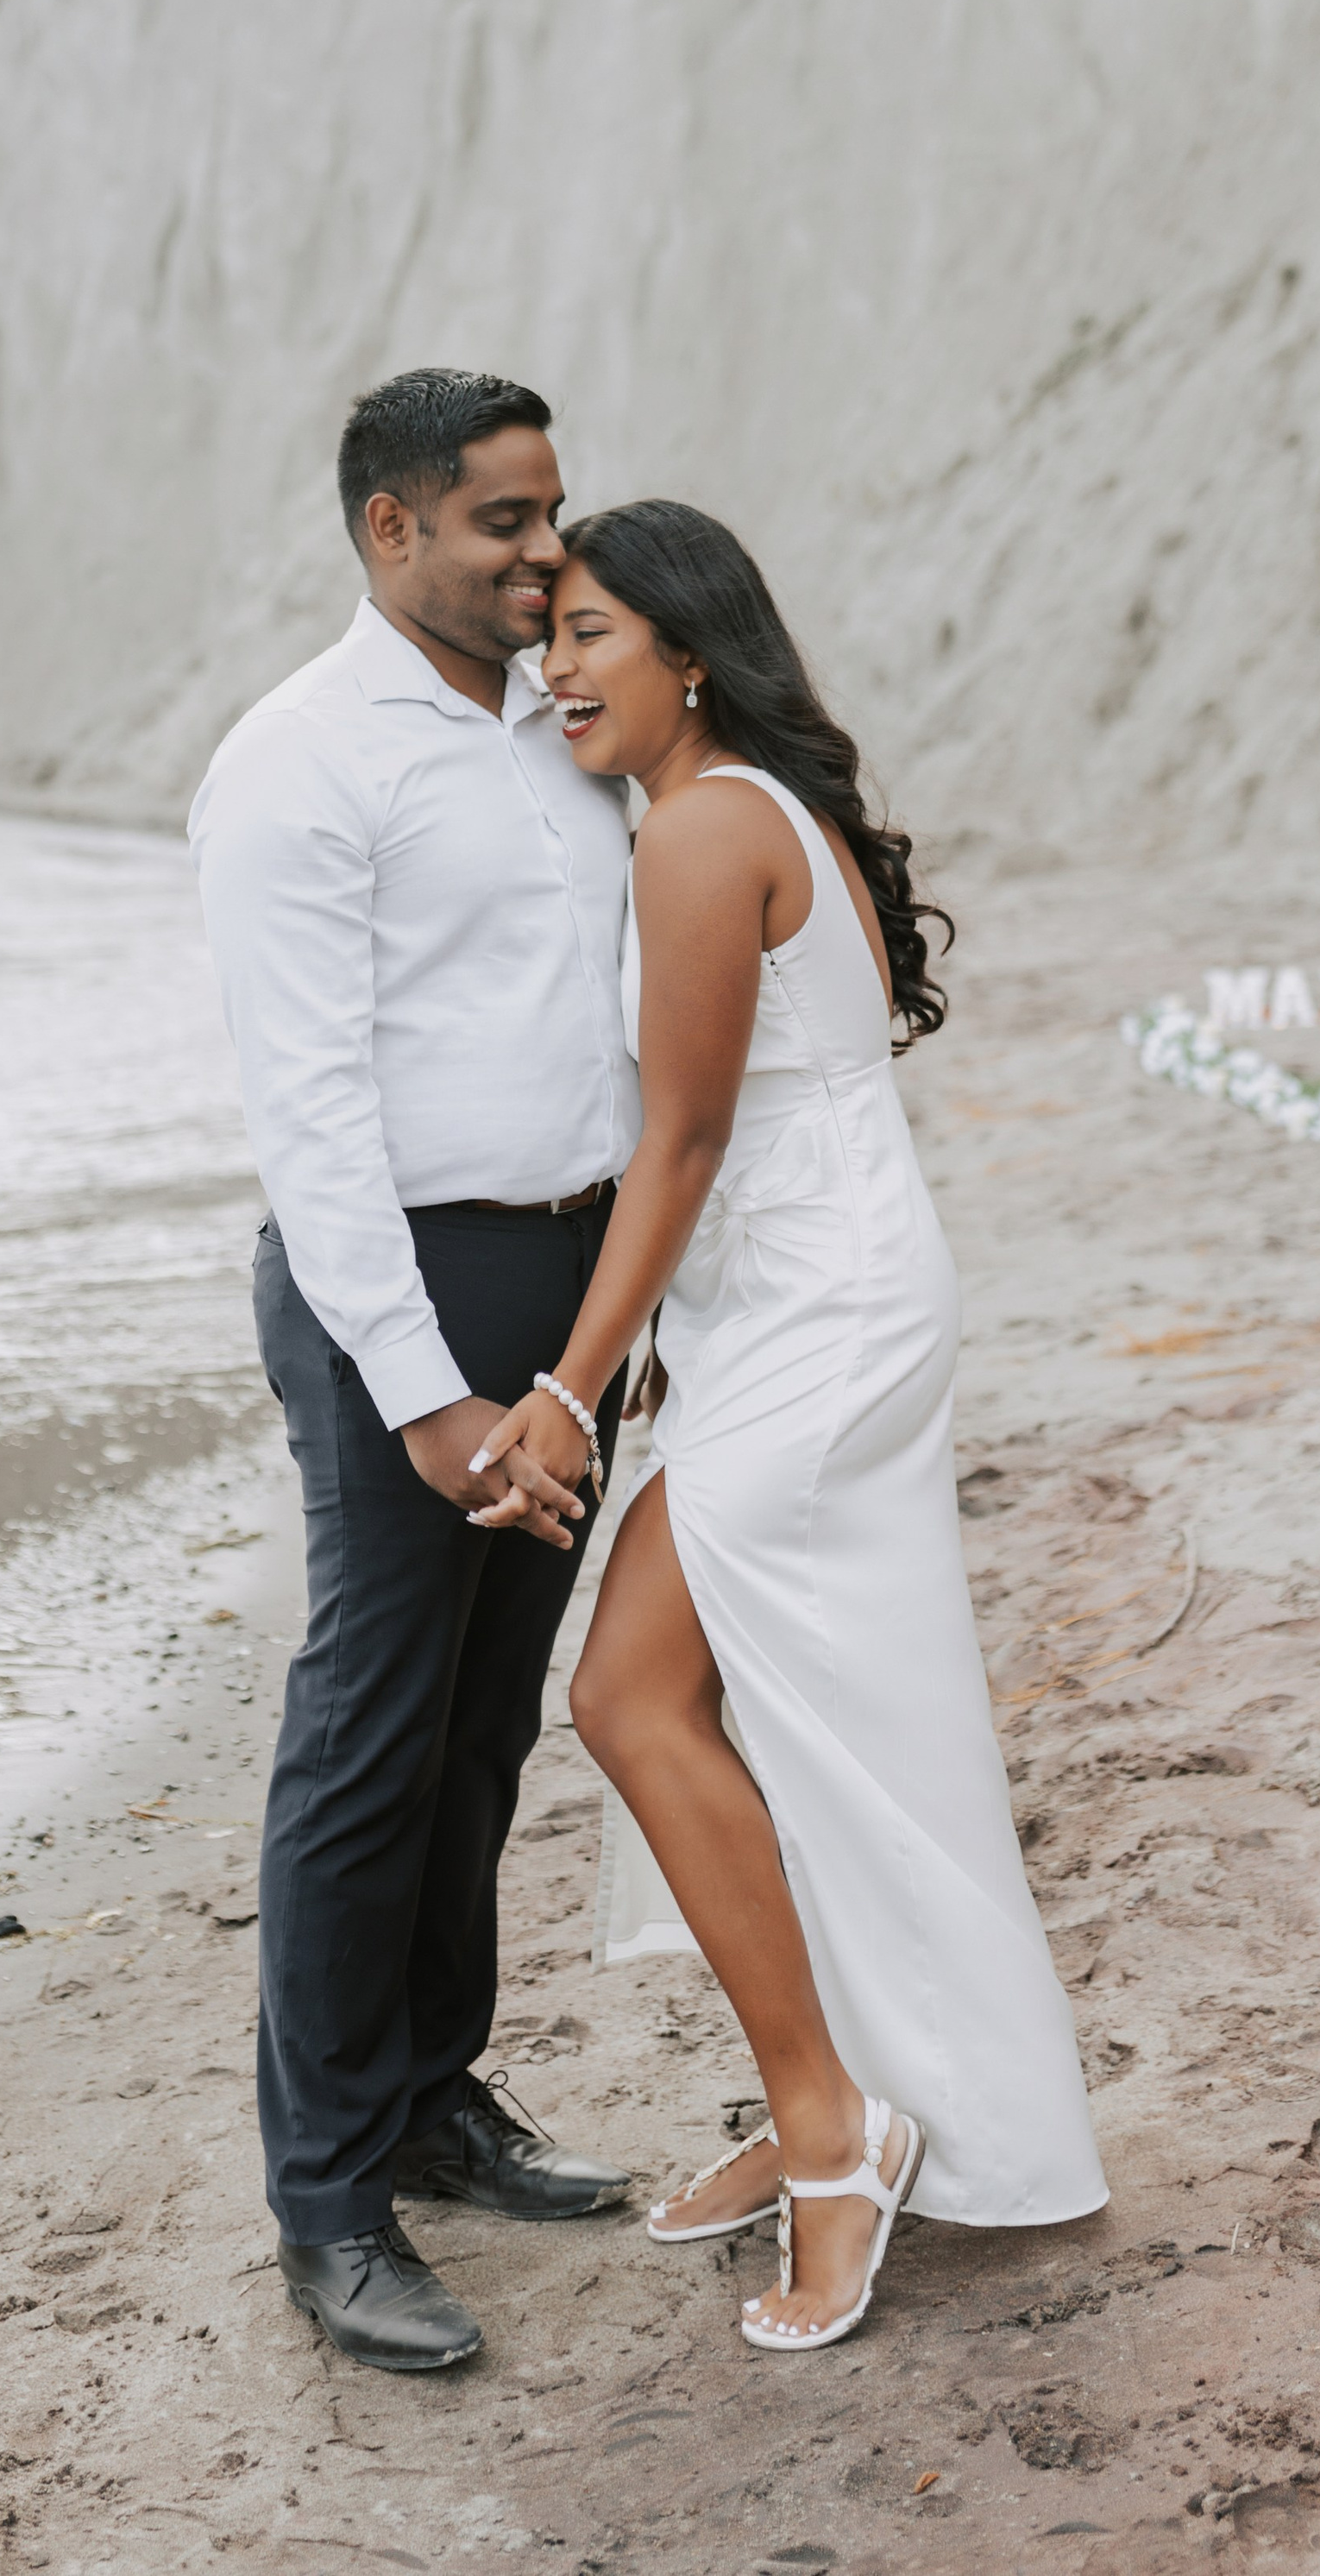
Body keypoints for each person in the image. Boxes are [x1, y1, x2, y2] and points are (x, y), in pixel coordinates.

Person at [476, 499, 1108, 2355]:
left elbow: (678, 1145)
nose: (554, 665)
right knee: (766, 1717)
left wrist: (567, 1387)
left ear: (688, 650)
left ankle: (838, 2129)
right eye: (547, 636)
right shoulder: (754, 806)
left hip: (813, 1317)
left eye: (591, 631)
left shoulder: (699, 831)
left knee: (634, 1700)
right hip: (800, 1301)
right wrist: (671, 1346)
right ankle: (831, 2094)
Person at [187, 369, 638, 2376]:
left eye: (552, 514)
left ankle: (437, 2098)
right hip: (409, 1297)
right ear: (388, 529)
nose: (545, 553)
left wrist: (623, 1319)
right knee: (366, 1736)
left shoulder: (569, 728)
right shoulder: (293, 763)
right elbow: (313, 1117)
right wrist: (429, 1397)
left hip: (571, 1285)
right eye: (500, 524)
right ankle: (328, 2200)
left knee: (480, 1727)